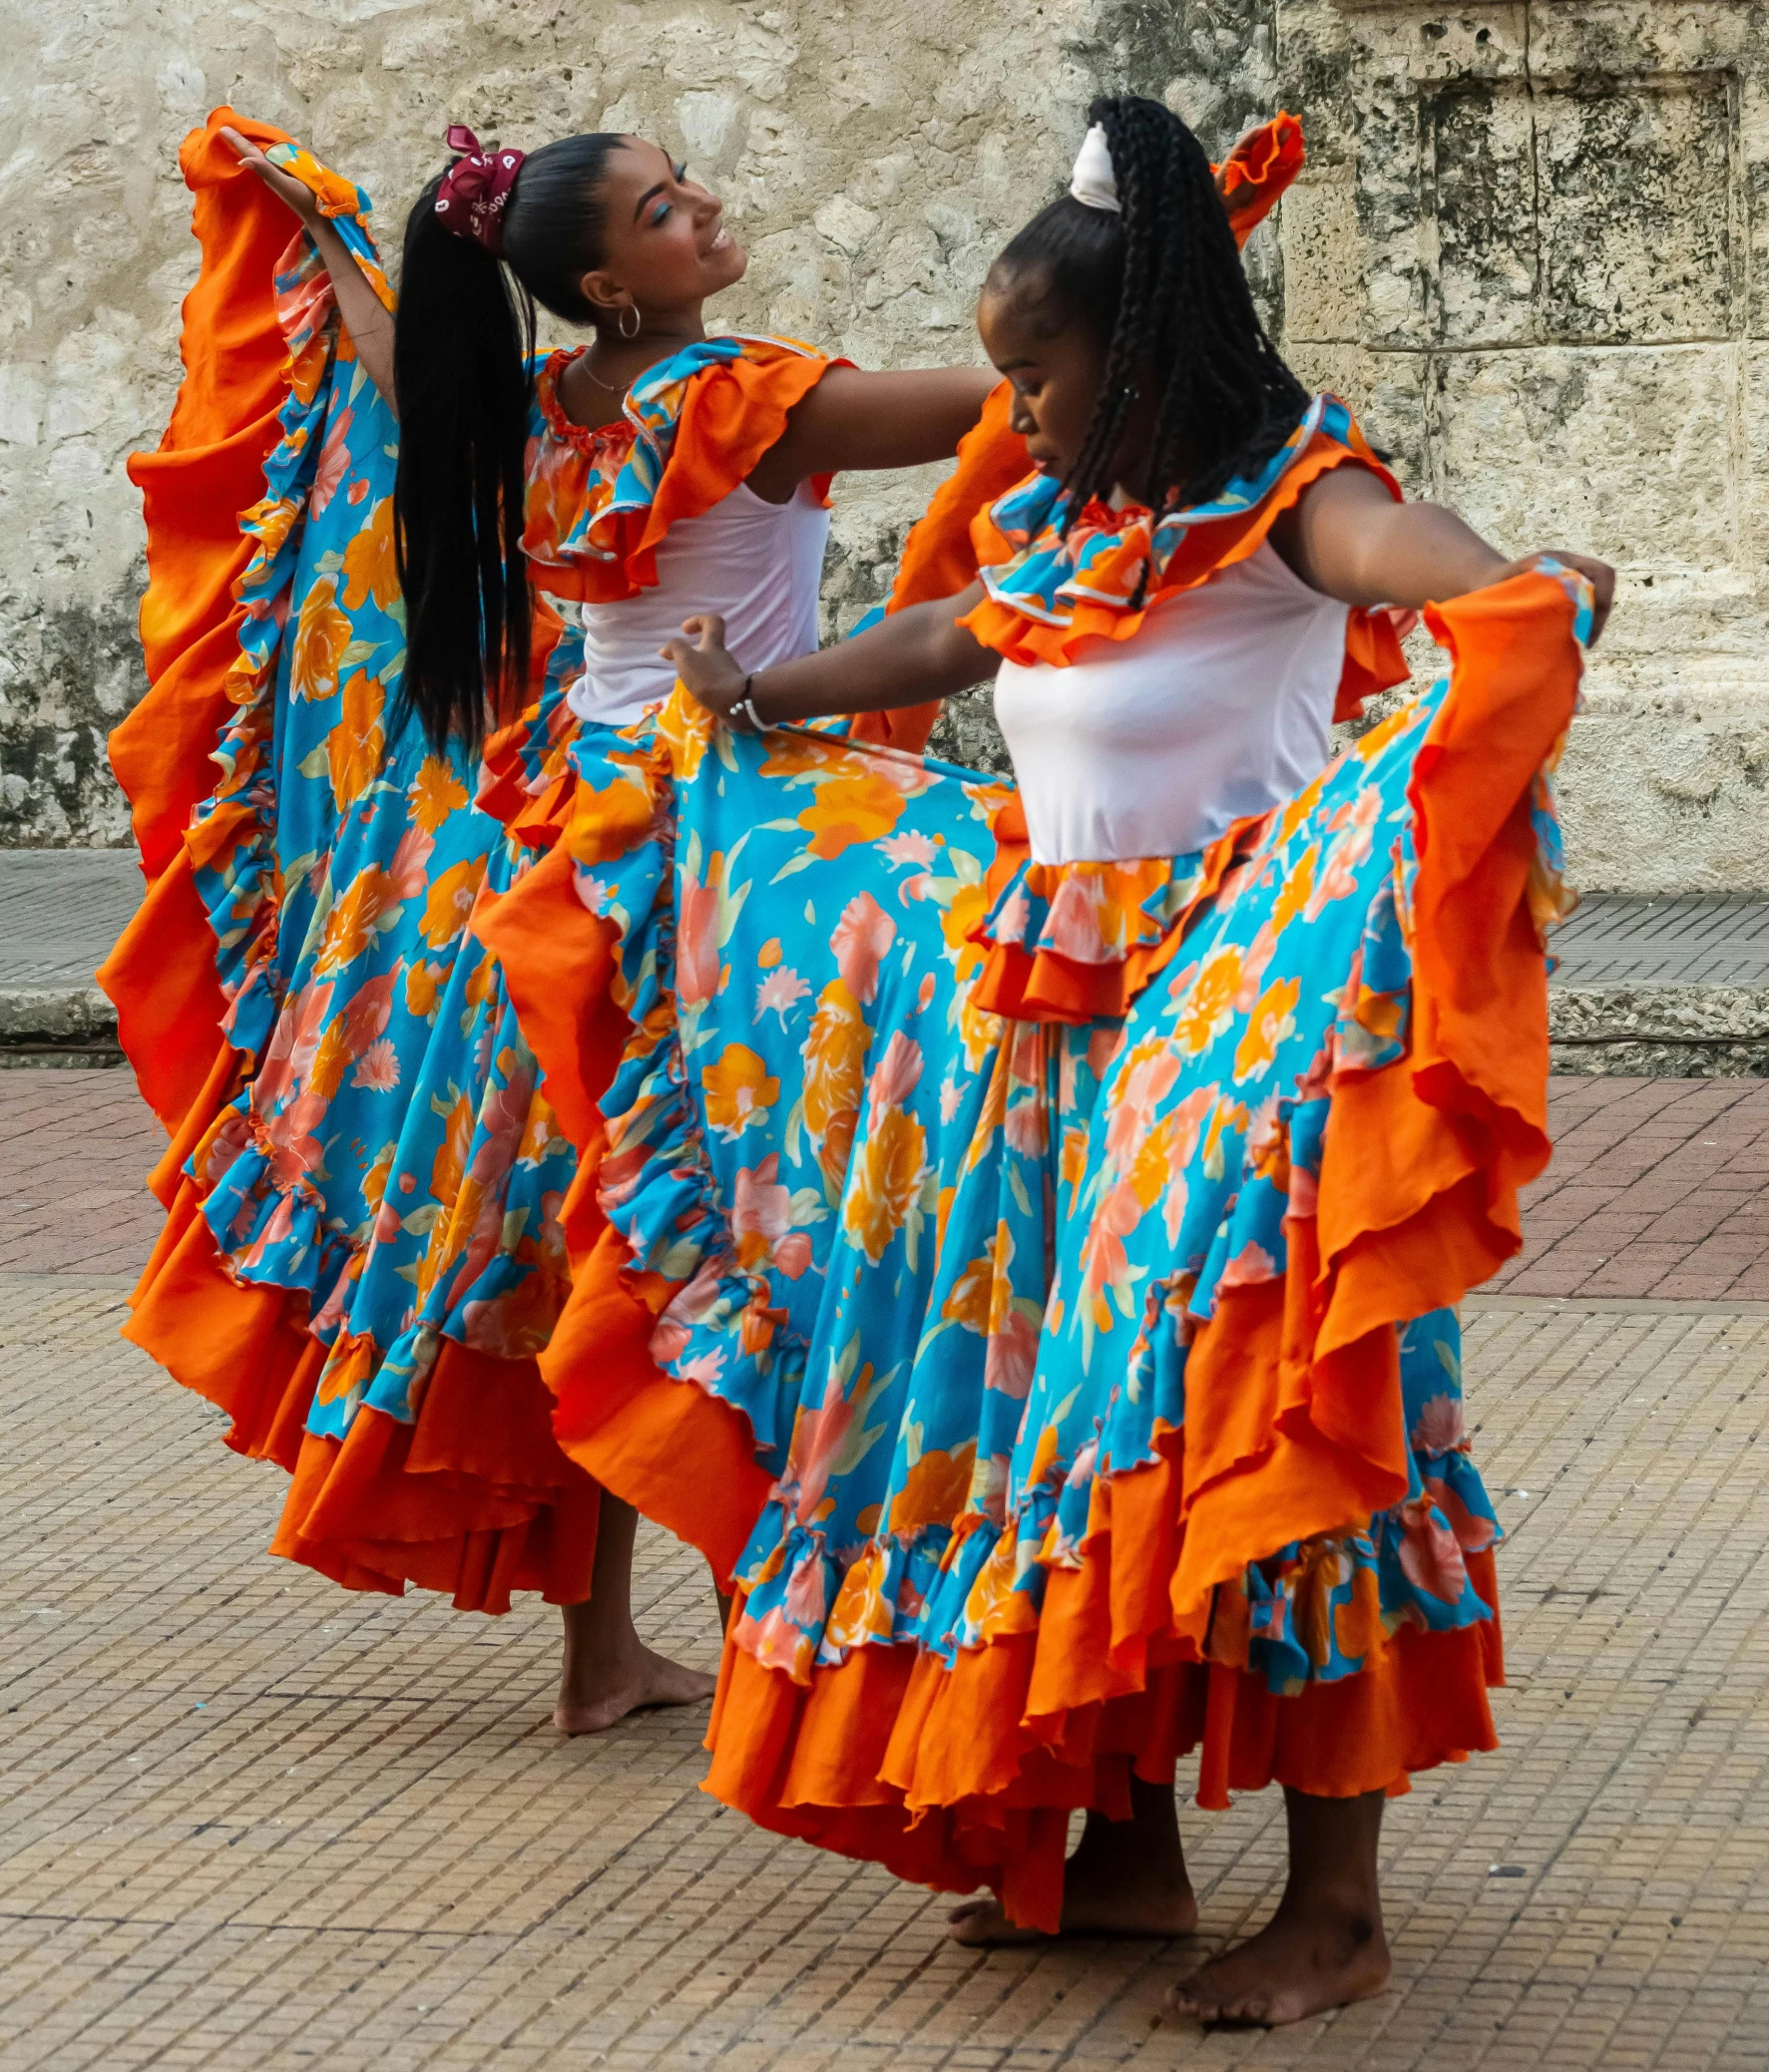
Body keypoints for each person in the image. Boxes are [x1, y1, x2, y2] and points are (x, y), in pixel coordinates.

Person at [573, 94, 1611, 2023]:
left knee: (1281, 1430)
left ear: (1131, 357)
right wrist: (758, 697)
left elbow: (1406, 555)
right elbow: (952, 646)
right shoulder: (1067, 517)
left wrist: (1510, 586)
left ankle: (1339, 1909)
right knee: (1066, 1433)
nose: (1011, 417)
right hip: (1049, 1053)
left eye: (1032, 376)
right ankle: (1122, 1850)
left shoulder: (1293, 491)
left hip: (1248, 1044)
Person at [107, 108, 996, 1734]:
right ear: (608, 281)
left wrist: (316, 234)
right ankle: (775, 1652)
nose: (707, 206)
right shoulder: (744, 403)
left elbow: (391, 363)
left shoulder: (527, 408)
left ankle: (607, 1662)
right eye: (669, 209)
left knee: (607, 1226)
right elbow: (1012, 397)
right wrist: (1140, 305)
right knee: (740, 1227)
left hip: (551, 840)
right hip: (724, 837)